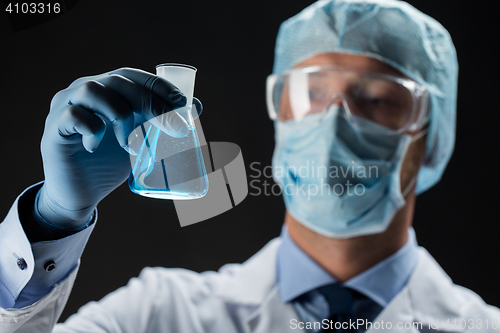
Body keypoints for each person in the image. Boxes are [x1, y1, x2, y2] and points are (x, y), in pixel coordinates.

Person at [0, 0, 499, 332]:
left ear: (431, 135)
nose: (332, 125)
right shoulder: (160, 315)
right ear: (279, 114)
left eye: (377, 100)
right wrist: (56, 217)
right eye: (308, 94)